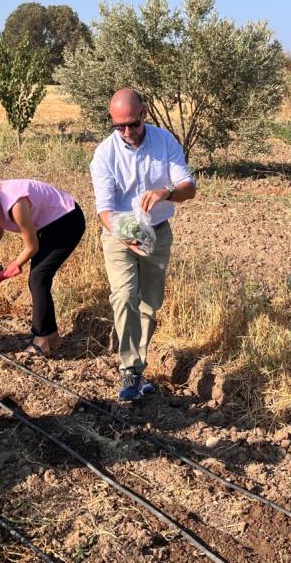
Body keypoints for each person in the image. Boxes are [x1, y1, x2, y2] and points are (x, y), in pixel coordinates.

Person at [89, 88, 196, 401]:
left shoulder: (164, 142)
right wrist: (125, 234)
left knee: (149, 302)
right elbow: (105, 211)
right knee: (124, 296)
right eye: (118, 126)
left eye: (132, 124)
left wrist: (166, 192)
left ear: (144, 114)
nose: (126, 132)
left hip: (158, 231)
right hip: (118, 232)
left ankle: (137, 364)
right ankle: (130, 369)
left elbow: (188, 188)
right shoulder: (105, 154)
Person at [0, 180, 85, 356]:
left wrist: (6, 273)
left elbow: (32, 247)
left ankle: (41, 340)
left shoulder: (15, 203)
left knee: (38, 278)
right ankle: (52, 337)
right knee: (39, 279)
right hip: (48, 226)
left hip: (66, 221)